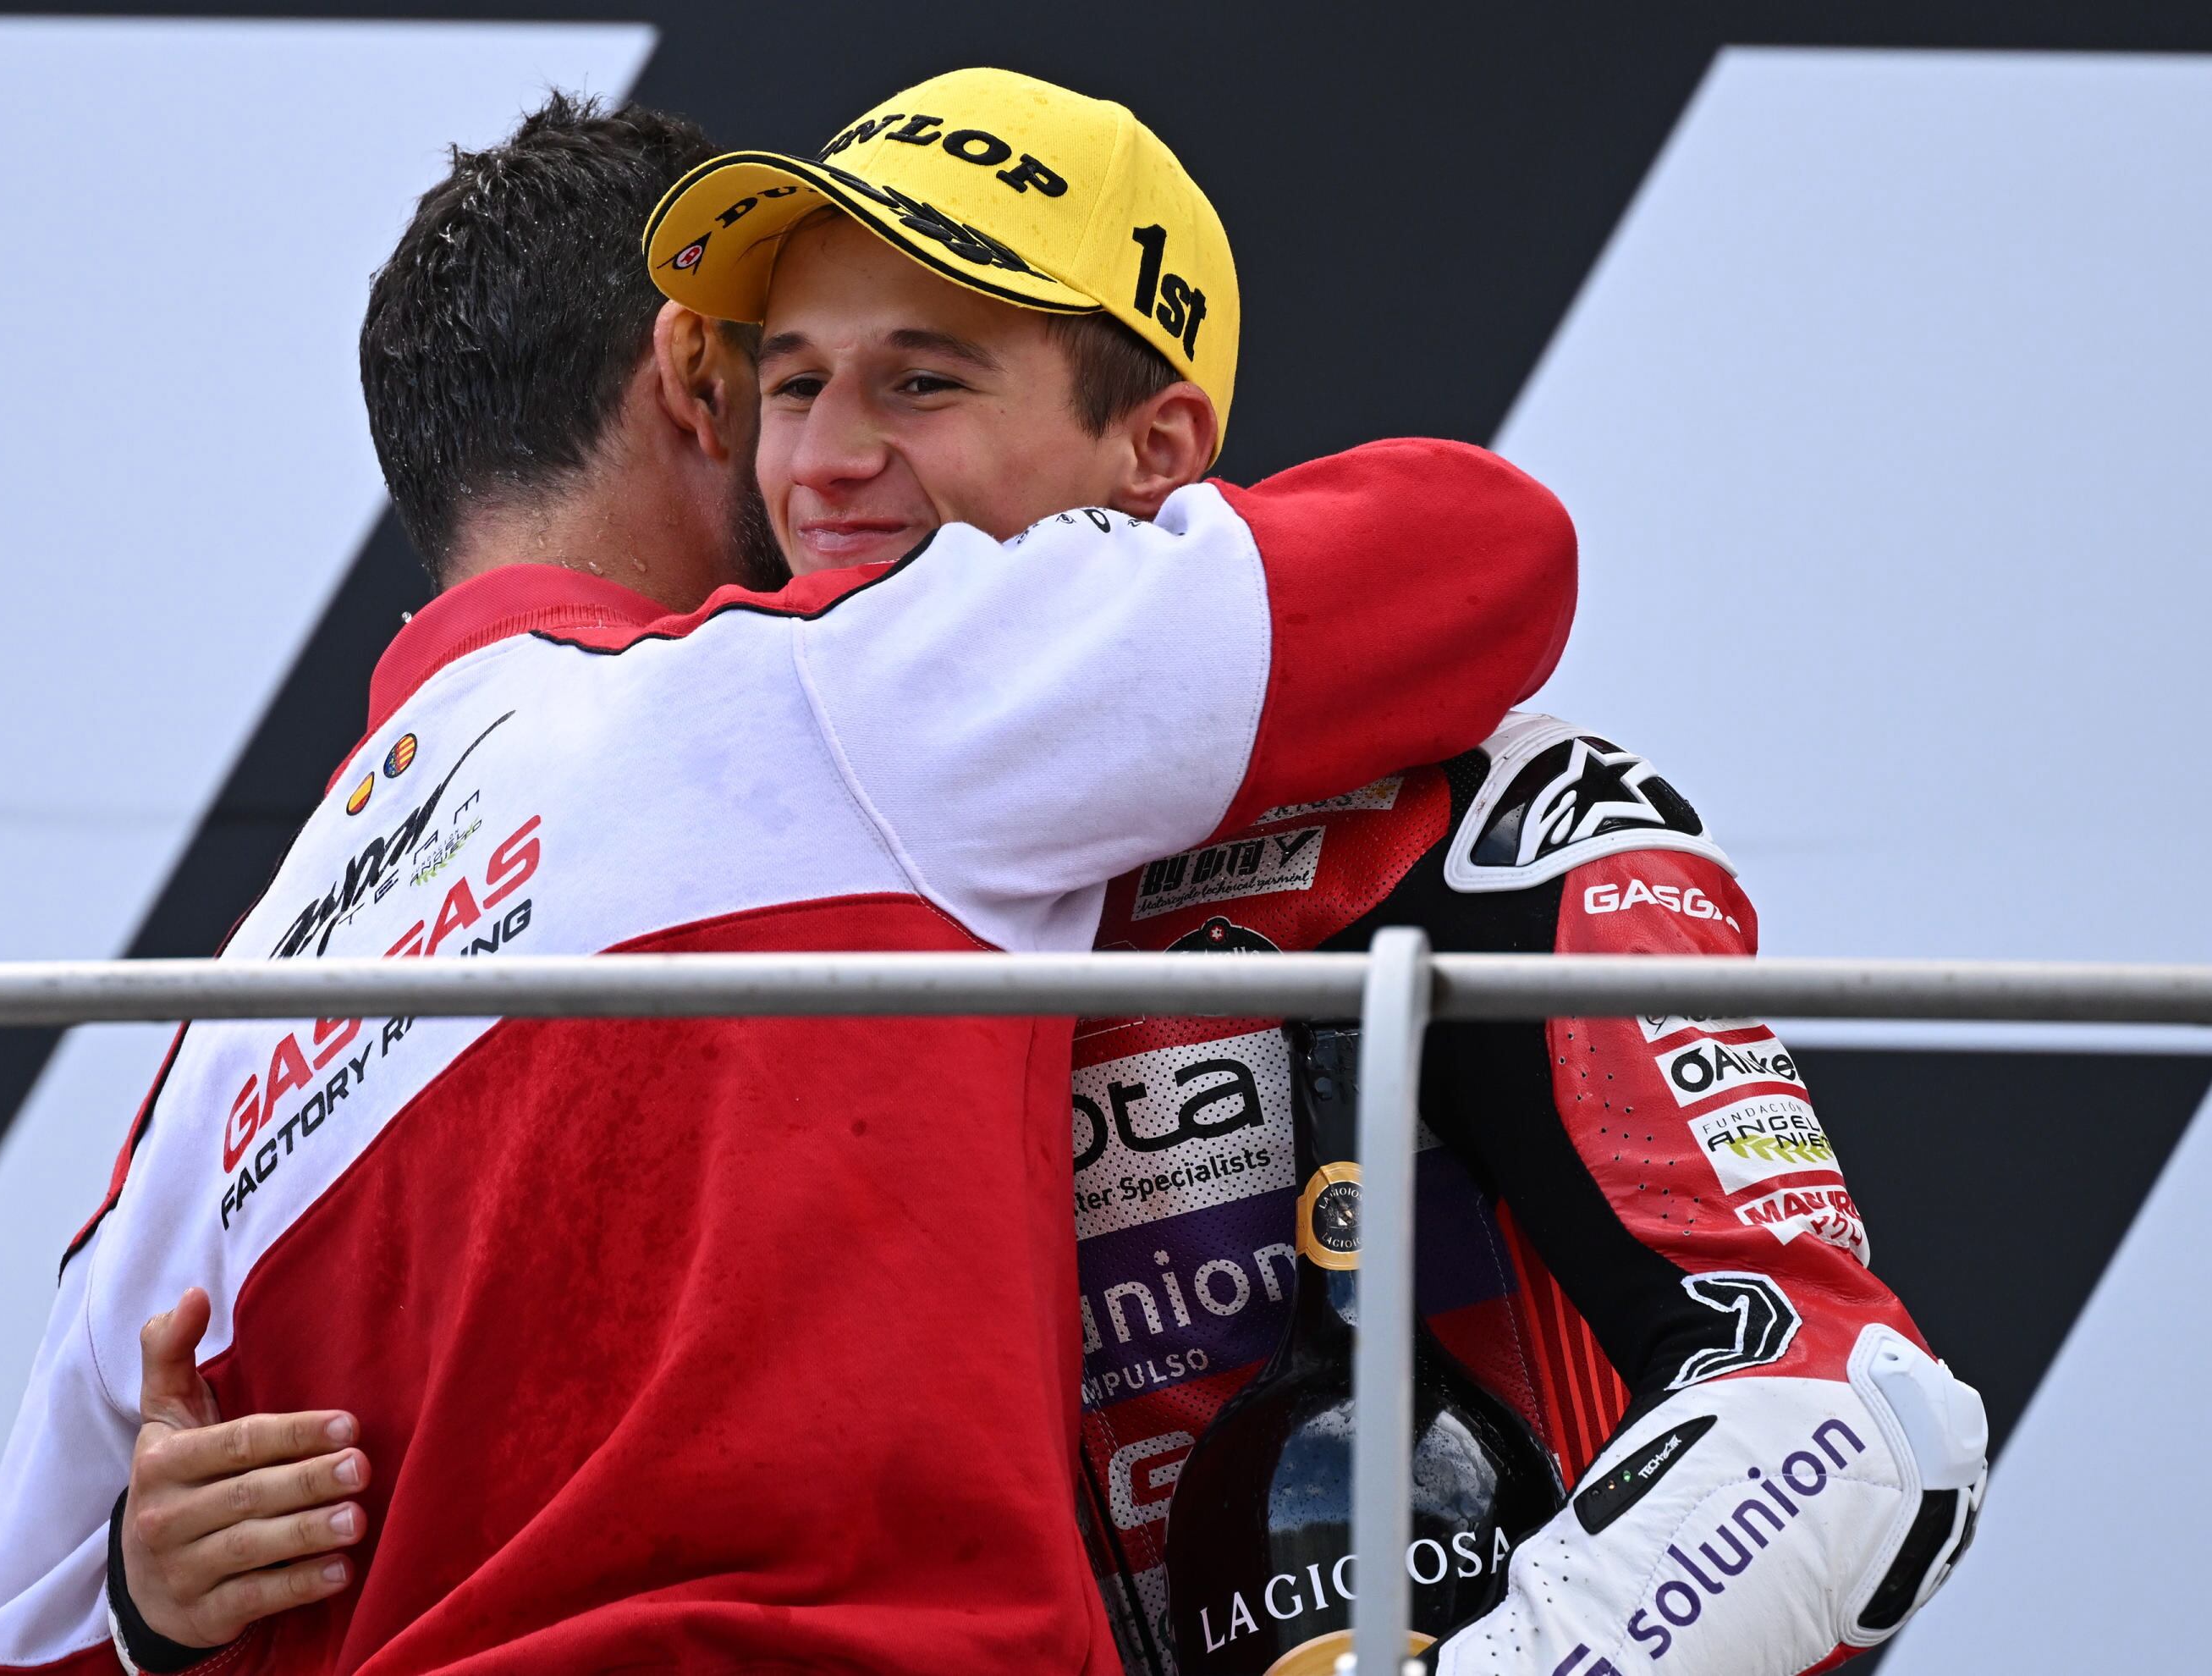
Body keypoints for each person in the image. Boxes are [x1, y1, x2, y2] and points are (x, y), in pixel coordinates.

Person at [105, 68, 1983, 1676]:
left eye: (921, 385)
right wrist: (162, 1591)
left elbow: (1856, 1425)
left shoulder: (1470, 820)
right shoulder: (715, 864)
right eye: (791, 385)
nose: (826, 465)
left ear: (1156, 454)